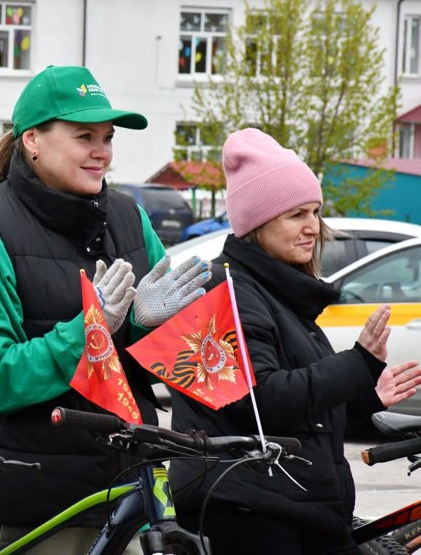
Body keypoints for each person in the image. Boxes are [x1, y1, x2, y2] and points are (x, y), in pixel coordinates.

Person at [0, 64, 212, 554]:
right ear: (32, 141)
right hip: (26, 509)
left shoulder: (129, 217)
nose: (101, 151)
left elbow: (162, 365)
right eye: (84, 135)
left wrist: (150, 328)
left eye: (107, 137)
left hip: (127, 495)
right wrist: (91, 332)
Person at [168, 128, 421, 555]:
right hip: (254, 515)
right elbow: (259, 402)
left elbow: (305, 417)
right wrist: (356, 365)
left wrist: (365, 399)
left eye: (315, 211)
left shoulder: (279, 293)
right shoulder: (225, 291)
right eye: (296, 214)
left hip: (294, 509)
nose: (313, 227)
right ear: (258, 221)